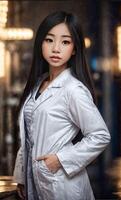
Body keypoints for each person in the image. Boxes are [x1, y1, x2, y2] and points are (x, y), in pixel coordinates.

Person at [13, 11, 111, 200]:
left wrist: (60, 160)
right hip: (36, 180)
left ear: (74, 49)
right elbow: (29, 135)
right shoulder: (38, 84)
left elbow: (100, 135)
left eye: (65, 42)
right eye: (49, 40)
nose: (56, 48)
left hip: (63, 183)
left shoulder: (73, 89)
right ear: (40, 43)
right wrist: (22, 177)